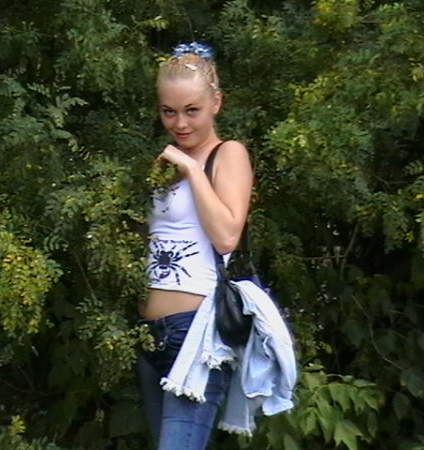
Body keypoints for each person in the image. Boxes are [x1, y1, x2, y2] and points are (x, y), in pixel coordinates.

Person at [137, 42, 253, 450]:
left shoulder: (227, 154)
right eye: (168, 111)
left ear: (216, 103)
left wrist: (192, 168)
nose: (180, 123)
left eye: (192, 110)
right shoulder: (164, 162)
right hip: (150, 335)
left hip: (196, 331)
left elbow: (226, 236)